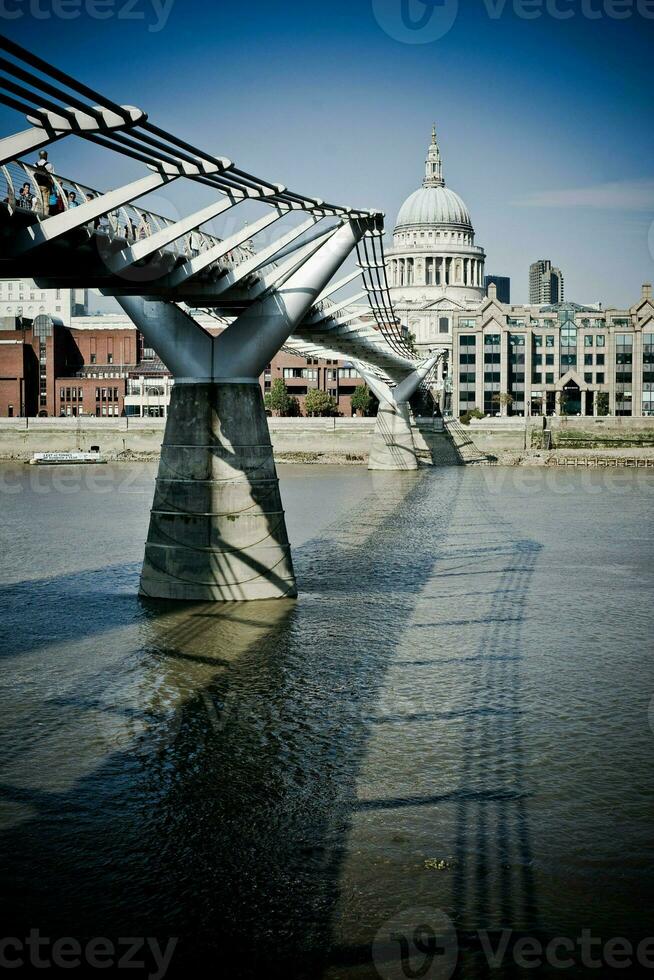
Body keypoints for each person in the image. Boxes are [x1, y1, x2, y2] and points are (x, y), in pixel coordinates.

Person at [33, 150, 54, 216]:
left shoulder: (35, 165)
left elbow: (32, 176)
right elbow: (53, 177)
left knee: (38, 201)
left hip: (37, 186)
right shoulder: (49, 165)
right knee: (46, 204)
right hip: (46, 186)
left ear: (39, 156)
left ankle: (38, 215)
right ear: (46, 156)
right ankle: (45, 218)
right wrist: (52, 186)